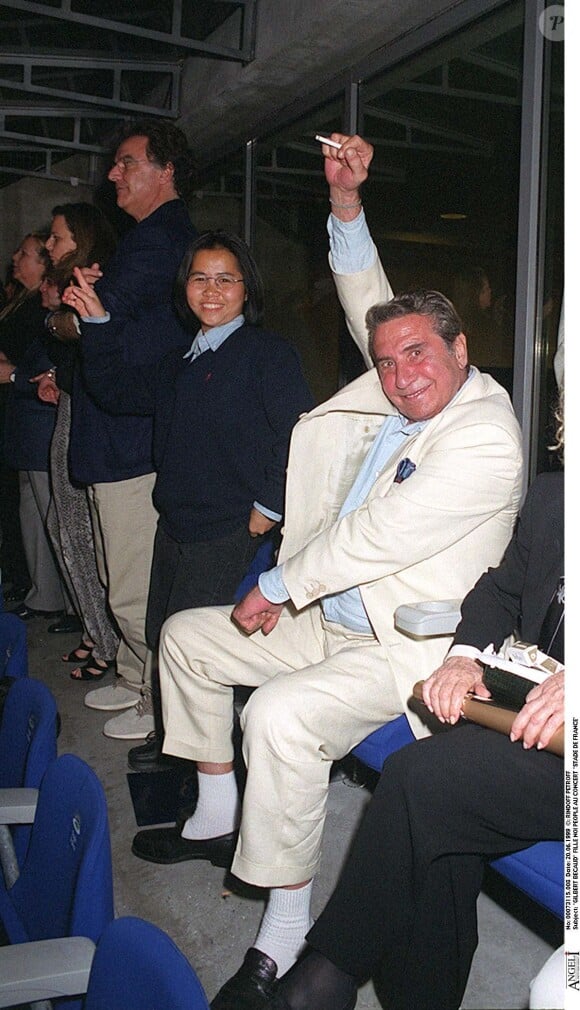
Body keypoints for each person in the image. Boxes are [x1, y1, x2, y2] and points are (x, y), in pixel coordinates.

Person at [133, 134, 523, 1009]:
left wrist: (275, 583)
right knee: (187, 637)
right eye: (385, 360)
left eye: (418, 353)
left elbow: (376, 535)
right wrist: (346, 208)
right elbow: (371, 304)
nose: (398, 373)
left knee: (277, 715)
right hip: (327, 616)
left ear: (463, 351)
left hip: (396, 646)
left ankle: (285, 922)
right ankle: (216, 810)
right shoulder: (400, 383)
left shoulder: (486, 438)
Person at [268, 410, 564, 1010]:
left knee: (421, 780)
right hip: (528, 719)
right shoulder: (557, 495)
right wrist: (463, 656)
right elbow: (501, 590)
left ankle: (324, 976)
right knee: (437, 804)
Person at [64, 229, 314, 758]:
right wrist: (97, 323)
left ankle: (204, 769)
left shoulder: (267, 354)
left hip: (227, 529)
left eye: (226, 278)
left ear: (248, 289)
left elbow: (300, 434)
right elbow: (116, 391)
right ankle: (179, 747)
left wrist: (268, 508)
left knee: (198, 652)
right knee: (162, 636)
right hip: (176, 525)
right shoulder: (185, 359)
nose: (212, 289)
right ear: (185, 288)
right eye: (200, 277)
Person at [51, 118, 197, 741]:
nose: (114, 174)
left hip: (131, 438)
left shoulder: (163, 242)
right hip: (121, 433)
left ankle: (159, 700)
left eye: (127, 162)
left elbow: (98, 326)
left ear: (165, 171)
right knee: (120, 574)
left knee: (133, 582)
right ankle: (139, 675)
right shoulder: (147, 240)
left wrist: (81, 314)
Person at [32, 202, 120, 679]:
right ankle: (95, 631)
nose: (49, 245)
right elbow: (61, 337)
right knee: (65, 526)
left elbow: (78, 334)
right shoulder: (74, 283)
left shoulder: (93, 280)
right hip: (71, 399)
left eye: (58, 237)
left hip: (86, 410)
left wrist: (57, 320)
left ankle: (104, 640)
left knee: (78, 529)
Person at [0, 233, 73, 621]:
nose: (15, 258)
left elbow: (35, 372)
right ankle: (41, 592)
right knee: (34, 515)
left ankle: (56, 598)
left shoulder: (48, 321)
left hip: (40, 427)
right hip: (26, 429)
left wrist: (15, 375)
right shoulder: (27, 309)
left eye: (25, 254)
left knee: (51, 516)